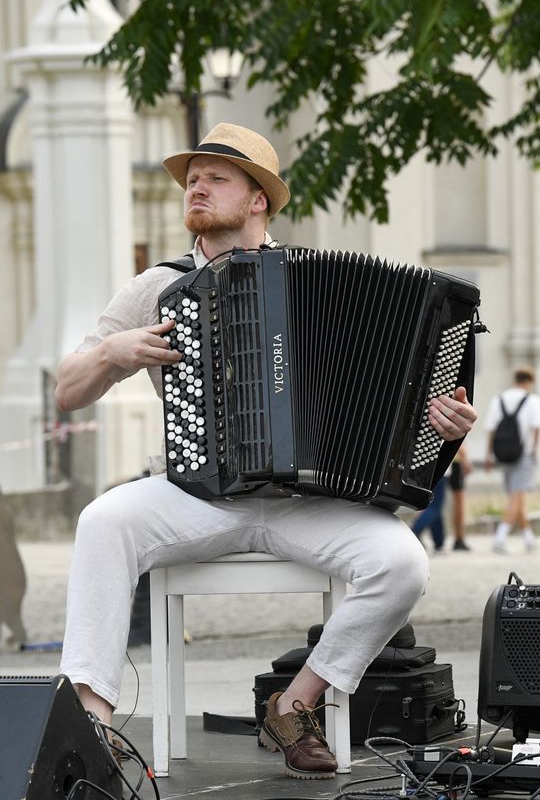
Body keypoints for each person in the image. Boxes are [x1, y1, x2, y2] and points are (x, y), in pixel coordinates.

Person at [55, 122, 478, 780]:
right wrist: (113, 353)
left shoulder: (313, 280)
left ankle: (294, 704)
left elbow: (402, 415)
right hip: (197, 496)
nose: (196, 185)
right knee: (102, 522)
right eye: (192, 178)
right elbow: (67, 392)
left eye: (216, 177)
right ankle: (91, 727)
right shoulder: (153, 288)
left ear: (258, 200)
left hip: (306, 500)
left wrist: (444, 426)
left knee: (402, 563)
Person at [485, 366, 540, 554]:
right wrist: (535, 452)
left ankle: (528, 538)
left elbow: (490, 428)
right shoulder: (532, 400)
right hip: (523, 453)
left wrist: (488, 455)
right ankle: (500, 539)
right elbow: (536, 428)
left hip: (502, 454)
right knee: (516, 497)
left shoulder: (499, 399)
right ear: (529, 381)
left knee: (517, 497)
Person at [449, 445, 473, 551]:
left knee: (457, 503)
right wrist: (465, 459)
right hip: (456, 461)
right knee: (459, 503)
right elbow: (459, 439)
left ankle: (459, 538)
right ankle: (459, 538)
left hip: (451, 460)